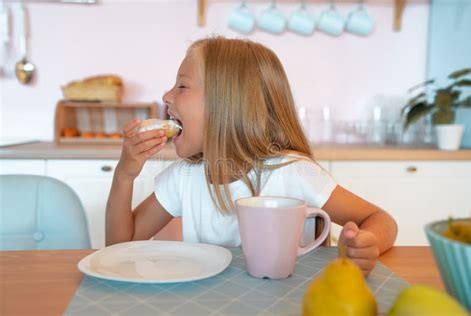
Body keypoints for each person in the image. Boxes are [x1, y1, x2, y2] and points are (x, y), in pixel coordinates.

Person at [106, 37, 397, 276]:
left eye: (182, 85)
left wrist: (367, 242)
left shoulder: (291, 171)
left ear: (228, 104)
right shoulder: (184, 177)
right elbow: (119, 248)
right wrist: (124, 175)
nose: (166, 95)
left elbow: (380, 219)